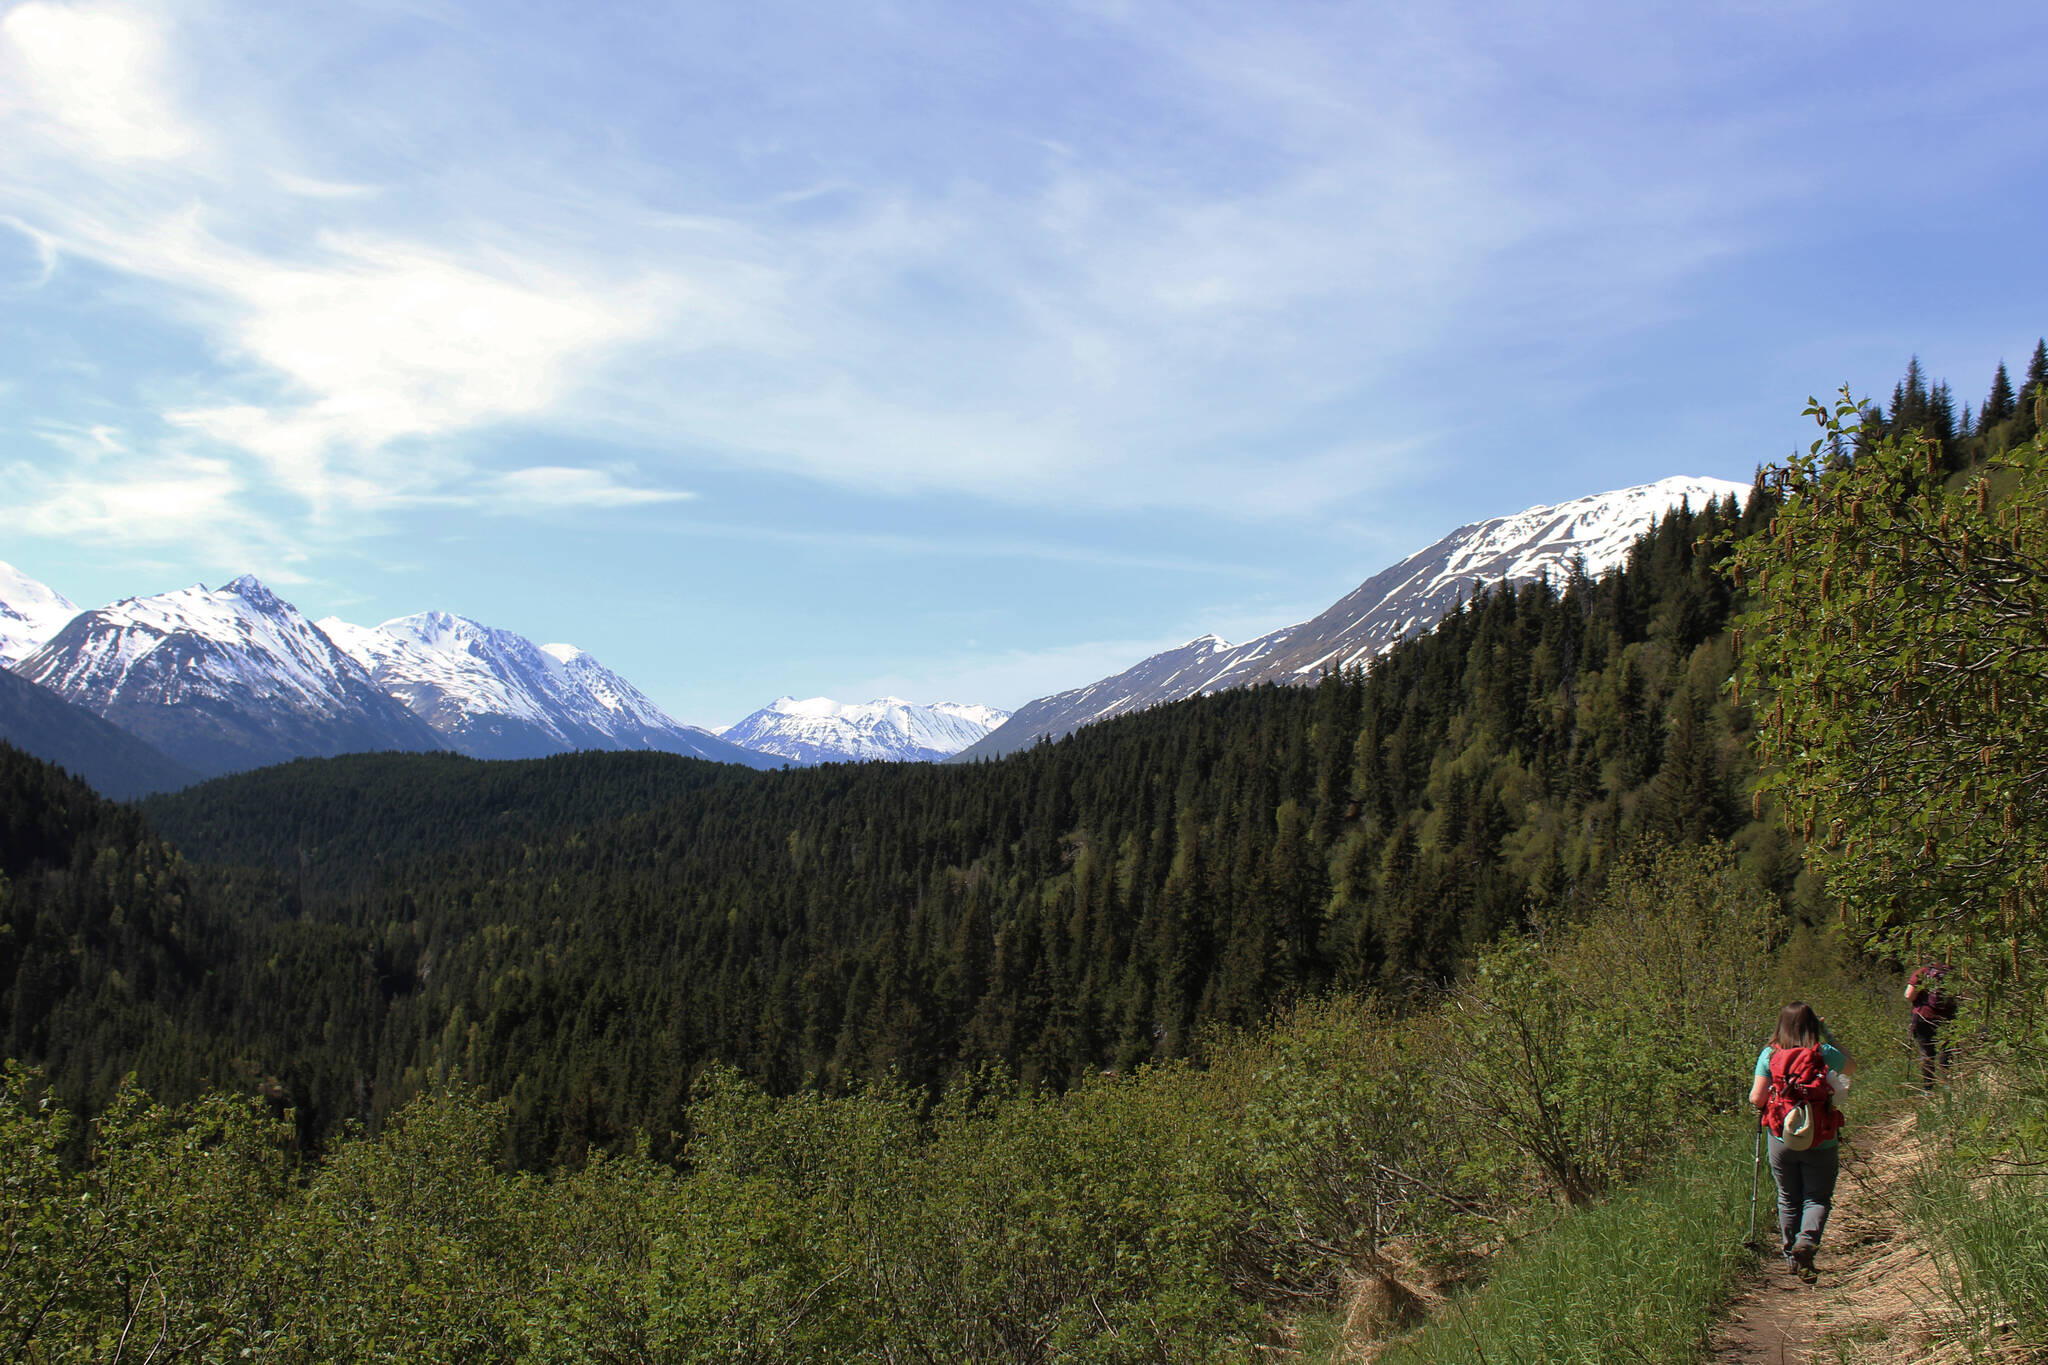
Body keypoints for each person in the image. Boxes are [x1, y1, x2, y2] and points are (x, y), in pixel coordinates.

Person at [1749, 1002, 1856, 1281]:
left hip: (1781, 1136)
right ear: (1812, 1025)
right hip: (1821, 1137)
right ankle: (1806, 1242)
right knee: (1816, 1197)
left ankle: (1791, 1257)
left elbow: (1756, 1098)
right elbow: (1852, 1066)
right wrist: (1828, 1033)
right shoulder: (1823, 1052)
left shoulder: (1769, 1054)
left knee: (1788, 1197)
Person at [1904, 961, 1957, 1089]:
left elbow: (1908, 995)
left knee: (1927, 1054)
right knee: (1947, 1050)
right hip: (1948, 1018)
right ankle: (1947, 1086)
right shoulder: (1952, 972)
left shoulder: (1923, 972)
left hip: (1924, 1017)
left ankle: (1928, 1089)